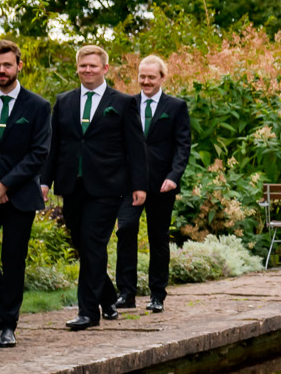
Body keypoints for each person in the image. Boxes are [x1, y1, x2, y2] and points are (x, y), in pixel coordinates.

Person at [47, 47, 147, 330]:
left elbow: (135, 147)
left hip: (107, 187)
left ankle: (88, 313)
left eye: (93, 66)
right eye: (82, 66)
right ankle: (107, 296)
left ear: (105, 69)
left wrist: (138, 186)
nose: (87, 70)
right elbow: (56, 145)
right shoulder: (63, 101)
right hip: (71, 185)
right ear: (77, 68)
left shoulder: (123, 102)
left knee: (93, 243)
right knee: (82, 244)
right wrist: (45, 181)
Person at [0, 40, 53, 349]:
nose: (1, 70)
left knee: (13, 257)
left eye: (7, 64)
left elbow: (39, 153)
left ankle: (8, 325)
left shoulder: (39, 106)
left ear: (19, 65)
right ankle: (6, 300)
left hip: (21, 195)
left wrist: (5, 185)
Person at [116, 56, 191, 314]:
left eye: (151, 77)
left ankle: (157, 294)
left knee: (158, 238)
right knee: (125, 230)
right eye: (142, 76)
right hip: (130, 183)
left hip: (162, 184)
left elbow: (183, 145)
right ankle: (126, 293)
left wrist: (174, 176)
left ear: (162, 78)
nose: (146, 81)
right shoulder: (128, 104)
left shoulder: (176, 106)